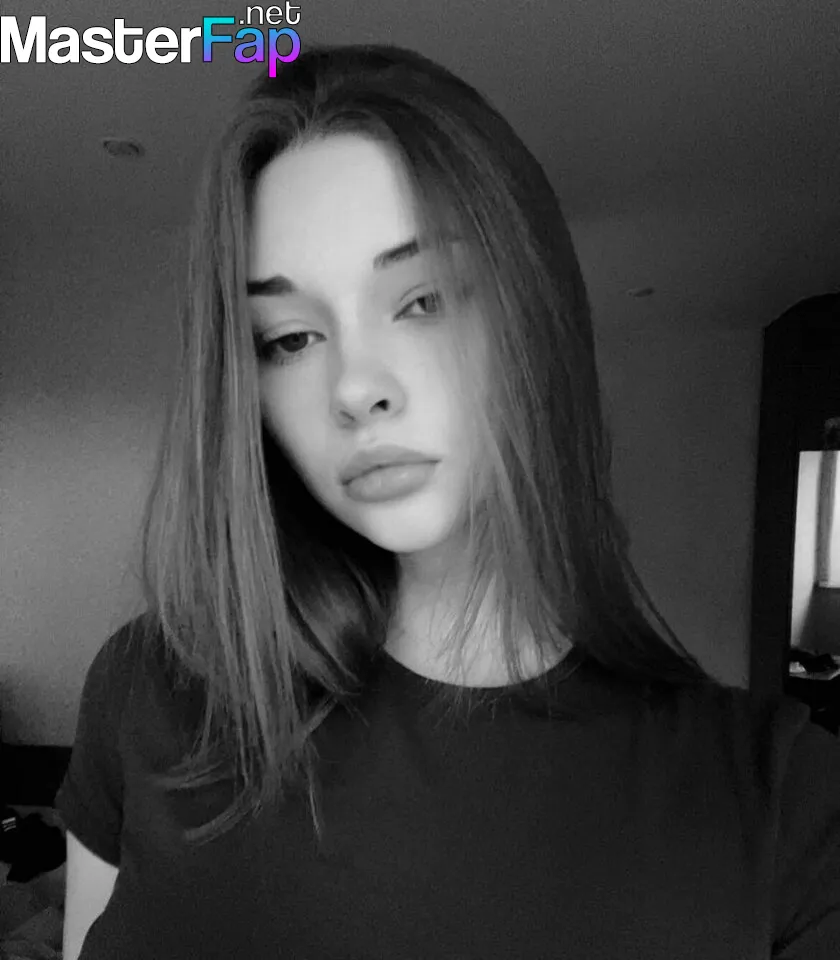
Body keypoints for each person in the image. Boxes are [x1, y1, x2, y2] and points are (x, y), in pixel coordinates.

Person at [56, 43, 840, 959]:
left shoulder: (782, 807)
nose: (356, 388)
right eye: (290, 338)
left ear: (533, 313)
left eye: (422, 300)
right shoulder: (152, 691)